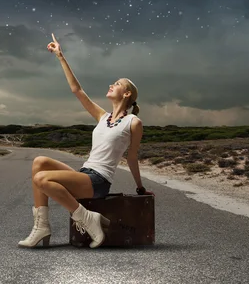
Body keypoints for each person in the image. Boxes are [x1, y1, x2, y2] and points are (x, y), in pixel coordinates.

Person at [18, 33, 153, 249]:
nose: (111, 85)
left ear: (127, 94)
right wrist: (60, 56)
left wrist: (140, 187)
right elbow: (77, 90)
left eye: (116, 84)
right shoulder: (102, 116)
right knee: (39, 162)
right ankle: (41, 226)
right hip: (84, 174)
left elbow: (132, 157)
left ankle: (87, 218)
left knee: (41, 179)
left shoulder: (133, 123)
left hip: (99, 181)